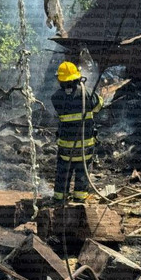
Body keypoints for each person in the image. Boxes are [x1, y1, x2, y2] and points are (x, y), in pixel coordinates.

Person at [51, 61, 103, 203]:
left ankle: (59, 197)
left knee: (63, 172)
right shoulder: (87, 93)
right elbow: (98, 106)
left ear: (60, 80)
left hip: (65, 148)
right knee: (82, 172)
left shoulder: (56, 98)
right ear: (77, 77)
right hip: (85, 146)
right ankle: (80, 197)